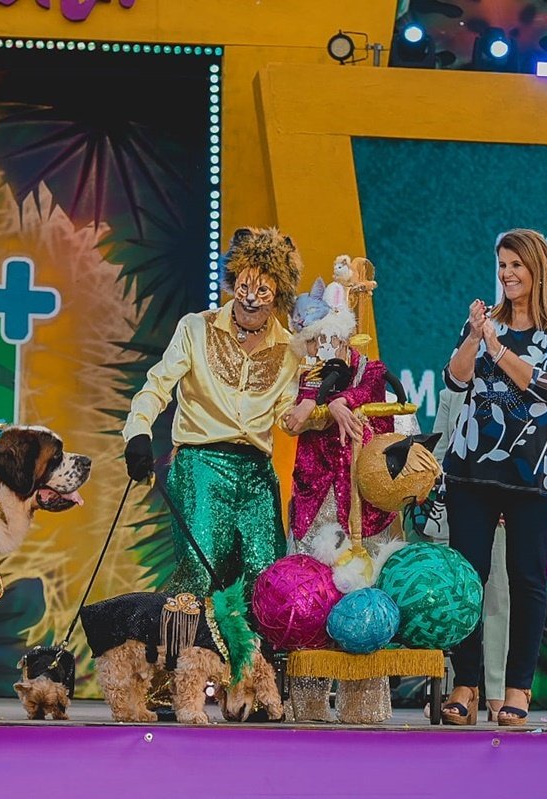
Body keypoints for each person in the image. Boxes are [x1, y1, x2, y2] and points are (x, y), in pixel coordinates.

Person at [439, 229, 547, 726]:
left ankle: (518, 688)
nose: (507, 274)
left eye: (516, 265)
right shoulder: (486, 322)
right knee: (468, 578)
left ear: (538, 269)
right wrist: (475, 337)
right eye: (502, 265)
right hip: (473, 465)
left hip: (534, 469)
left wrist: (497, 350)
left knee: (527, 579)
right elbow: (455, 378)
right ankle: (466, 683)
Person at [123, 227, 302, 596]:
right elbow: (157, 385)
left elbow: (288, 412)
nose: (250, 299)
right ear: (233, 281)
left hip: (256, 471)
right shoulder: (196, 328)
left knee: (265, 578)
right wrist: (137, 432)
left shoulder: (289, 348)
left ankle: (250, 638)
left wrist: (319, 409)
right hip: (200, 464)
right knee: (200, 571)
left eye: (262, 291)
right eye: (244, 287)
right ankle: (182, 636)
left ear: (279, 293)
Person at [280, 273, 398, 723]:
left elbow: (363, 394)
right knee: (311, 593)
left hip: (361, 504)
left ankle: (364, 701)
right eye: (313, 340)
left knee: (363, 591)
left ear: (345, 333)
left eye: (328, 337)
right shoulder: (302, 376)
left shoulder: (371, 370)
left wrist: (334, 401)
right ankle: (308, 701)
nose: (321, 347)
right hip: (316, 500)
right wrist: (320, 404)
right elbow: (294, 415)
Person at [432, 386, 510, 721]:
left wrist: (512, 496)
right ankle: (461, 688)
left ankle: (496, 692)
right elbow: (438, 451)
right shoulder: (451, 393)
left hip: (504, 505)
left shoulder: (511, 386)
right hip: (458, 505)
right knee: (459, 599)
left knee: (496, 600)